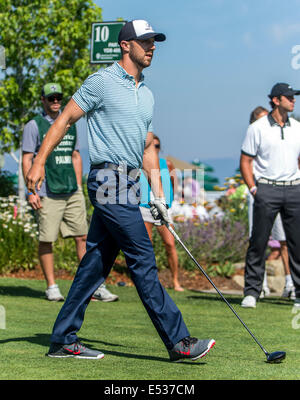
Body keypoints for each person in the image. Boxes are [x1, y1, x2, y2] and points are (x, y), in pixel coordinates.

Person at [25, 19, 215, 361]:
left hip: (129, 183)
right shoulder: (101, 82)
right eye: (145, 41)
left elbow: (146, 148)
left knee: (94, 265)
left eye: (154, 41)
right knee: (143, 259)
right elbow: (65, 119)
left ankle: (62, 340)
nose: (152, 46)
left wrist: (157, 194)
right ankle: (180, 342)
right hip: (108, 180)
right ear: (125, 45)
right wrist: (39, 162)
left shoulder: (147, 94)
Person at [22, 83, 118, 303]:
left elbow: (75, 155)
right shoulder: (34, 126)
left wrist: (78, 186)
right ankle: (51, 286)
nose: (56, 100)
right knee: (47, 238)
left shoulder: (70, 123)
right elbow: (28, 158)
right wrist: (31, 191)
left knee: (84, 237)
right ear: (43, 100)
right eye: (51, 97)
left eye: (58, 97)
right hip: (47, 190)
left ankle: (94, 286)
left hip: (70, 190)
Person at [240, 83, 300, 308]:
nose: (293, 100)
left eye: (294, 97)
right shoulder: (257, 128)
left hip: (294, 188)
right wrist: (254, 188)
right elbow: (245, 160)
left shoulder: (297, 127)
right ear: (276, 100)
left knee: (296, 243)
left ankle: (298, 293)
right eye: (289, 97)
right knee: (258, 241)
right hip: (266, 189)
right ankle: (252, 292)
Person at [247, 105, 295, 300]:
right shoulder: (253, 138)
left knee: (284, 240)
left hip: (280, 192)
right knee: (258, 240)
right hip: (260, 193)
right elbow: (246, 164)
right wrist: (254, 189)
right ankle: (260, 285)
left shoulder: (277, 137)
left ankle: (290, 284)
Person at [139, 135, 184, 291]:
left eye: (156, 146)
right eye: (151, 146)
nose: (154, 148)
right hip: (144, 206)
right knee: (146, 247)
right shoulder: (140, 164)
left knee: (170, 244)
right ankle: (149, 281)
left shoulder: (167, 165)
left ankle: (175, 280)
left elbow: (174, 185)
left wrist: (171, 202)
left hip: (163, 208)